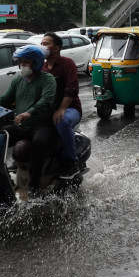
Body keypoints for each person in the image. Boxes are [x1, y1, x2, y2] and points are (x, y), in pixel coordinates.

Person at [0, 45, 56, 197]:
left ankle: (34, 187)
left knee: (38, 144)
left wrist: (29, 112)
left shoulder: (47, 79)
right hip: (21, 125)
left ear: (36, 63)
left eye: (26, 62)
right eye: (21, 62)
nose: (22, 65)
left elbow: (46, 100)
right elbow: (4, 99)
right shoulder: (18, 80)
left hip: (41, 125)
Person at [40, 32, 83, 179]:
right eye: (42, 44)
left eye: (46, 44)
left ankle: (73, 163)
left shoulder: (67, 63)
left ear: (56, 48)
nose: (42, 47)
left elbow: (72, 89)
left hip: (71, 108)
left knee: (62, 120)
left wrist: (62, 108)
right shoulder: (41, 67)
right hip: (48, 111)